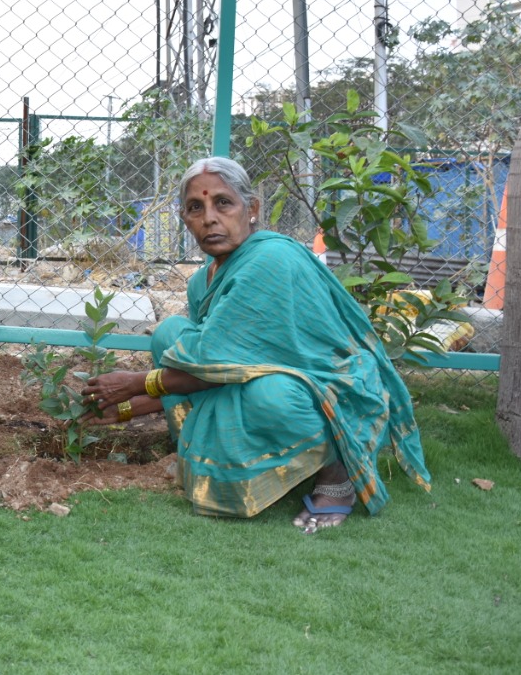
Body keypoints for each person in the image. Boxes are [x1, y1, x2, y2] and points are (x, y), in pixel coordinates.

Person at [83, 157, 431, 533]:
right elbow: (212, 372)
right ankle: (206, 449)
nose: (210, 218)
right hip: (246, 379)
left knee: (270, 394)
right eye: (196, 208)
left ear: (252, 209)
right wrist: (119, 409)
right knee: (172, 333)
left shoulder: (270, 259)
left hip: (330, 389)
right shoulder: (203, 280)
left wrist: (133, 384)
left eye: (223, 203)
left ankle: (337, 472)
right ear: (184, 219)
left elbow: (211, 367)